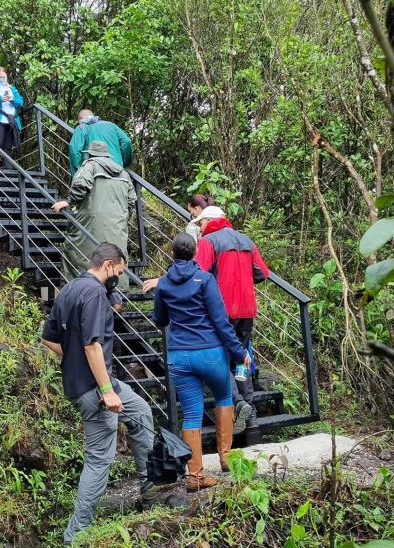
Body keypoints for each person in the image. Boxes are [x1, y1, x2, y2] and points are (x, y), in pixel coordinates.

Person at [41, 243, 167, 545]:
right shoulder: (95, 293)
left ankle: (148, 487)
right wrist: (107, 390)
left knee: (140, 411)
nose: (118, 278)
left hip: (90, 381)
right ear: (108, 265)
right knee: (99, 459)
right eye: (119, 272)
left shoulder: (69, 289)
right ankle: (75, 535)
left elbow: (48, 338)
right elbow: (92, 345)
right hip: (96, 388)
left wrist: (76, 361)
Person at [143, 206, 269, 434]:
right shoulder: (247, 241)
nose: (199, 228)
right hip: (247, 309)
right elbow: (261, 273)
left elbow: (193, 272)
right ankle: (251, 415)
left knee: (223, 357)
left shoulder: (209, 242)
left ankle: (239, 403)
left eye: (200, 222)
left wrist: (162, 281)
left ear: (210, 220)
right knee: (241, 358)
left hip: (221, 308)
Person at [152, 233, 251, 487]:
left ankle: (195, 476)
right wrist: (240, 352)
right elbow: (221, 321)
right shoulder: (205, 279)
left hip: (179, 356)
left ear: (173, 253)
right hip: (210, 353)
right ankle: (226, 458)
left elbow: (160, 319)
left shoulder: (163, 283)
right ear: (196, 252)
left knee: (191, 414)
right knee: (224, 397)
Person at [53, 141, 137, 285]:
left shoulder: (90, 166)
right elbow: (131, 201)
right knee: (115, 256)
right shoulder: (124, 173)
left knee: (76, 249)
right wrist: (121, 218)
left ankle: (78, 288)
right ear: (107, 155)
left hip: (92, 223)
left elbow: (81, 185)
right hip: (118, 226)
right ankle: (118, 289)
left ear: (90, 154)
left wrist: (68, 201)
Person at [68, 109, 133, 177]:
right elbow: (127, 142)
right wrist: (123, 163)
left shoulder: (82, 127)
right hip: (117, 169)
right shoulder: (111, 125)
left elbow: (74, 149)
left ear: (82, 118)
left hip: (94, 171)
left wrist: (79, 170)